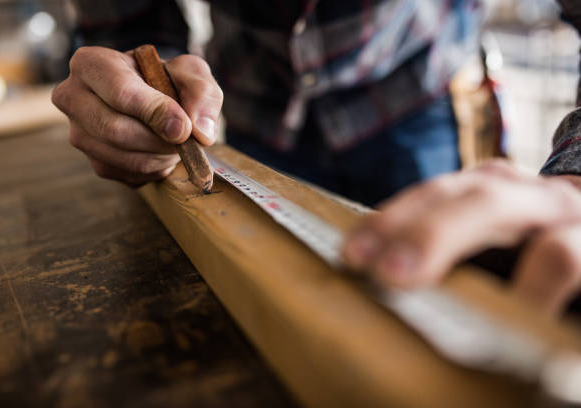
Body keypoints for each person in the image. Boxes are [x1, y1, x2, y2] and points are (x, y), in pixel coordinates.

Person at [52, 0, 581, 315]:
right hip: (257, 106)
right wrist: (129, 90)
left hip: (412, 95)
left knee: (423, 295)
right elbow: (129, 23)